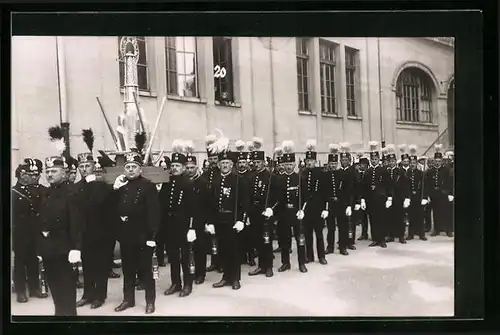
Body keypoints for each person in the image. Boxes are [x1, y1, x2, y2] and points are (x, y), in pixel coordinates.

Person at [112, 152, 160, 314]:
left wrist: (152, 236)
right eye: (128, 167)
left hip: (143, 235)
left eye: (134, 167)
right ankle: (128, 300)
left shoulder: (148, 186)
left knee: (146, 271)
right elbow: (113, 209)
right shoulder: (121, 187)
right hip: (126, 236)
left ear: (140, 169)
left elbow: (154, 212)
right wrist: (115, 189)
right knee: (128, 270)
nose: (131, 170)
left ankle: (150, 301)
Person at [73, 129, 116, 309]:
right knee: (88, 266)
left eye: (87, 166)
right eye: (81, 166)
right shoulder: (76, 187)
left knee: (101, 267)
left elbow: (100, 205)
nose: (84, 169)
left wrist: (92, 182)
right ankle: (87, 294)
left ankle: (100, 295)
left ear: (94, 167)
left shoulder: (102, 186)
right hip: (85, 233)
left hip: (102, 234)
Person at [37, 153, 83, 316]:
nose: (49, 174)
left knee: (66, 288)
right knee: (54, 287)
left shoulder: (71, 193)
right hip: (49, 248)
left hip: (65, 248)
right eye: (48, 171)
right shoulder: (46, 194)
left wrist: (76, 248)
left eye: (54, 171)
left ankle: (69, 318)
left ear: (63, 173)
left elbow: (76, 222)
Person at [205, 134, 248, 290]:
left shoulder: (238, 180)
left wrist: (241, 220)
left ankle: (235, 278)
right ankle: (225, 277)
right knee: (222, 250)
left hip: (233, 219)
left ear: (232, 165)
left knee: (234, 251)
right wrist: (210, 221)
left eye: (227, 163)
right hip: (219, 220)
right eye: (222, 163)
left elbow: (245, 203)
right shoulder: (215, 181)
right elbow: (210, 203)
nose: (224, 165)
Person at [159, 140, 197, 298]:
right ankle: (176, 283)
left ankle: (188, 283)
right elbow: (162, 203)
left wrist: (192, 228)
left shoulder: (188, 183)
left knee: (185, 256)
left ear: (183, 168)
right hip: (170, 225)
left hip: (183, 225)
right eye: (173, 165)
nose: (174, 168)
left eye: (177, 166)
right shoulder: (167, 183)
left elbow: (194, 209)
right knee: (173, 255)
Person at [12, 159, 47, 303]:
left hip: (33, 232)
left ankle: (34, 289)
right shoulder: (13, 193)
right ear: (21, 175)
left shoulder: (34, 191)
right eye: (27, 173)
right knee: (20, 262)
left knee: (33, 260)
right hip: (20, 233)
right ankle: (21, 291)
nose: (31, 176)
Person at [274, 141, 308, 273]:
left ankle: (301, 263)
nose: (288, 167)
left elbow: (305, 196)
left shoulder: (299, 178)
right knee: (284, 240)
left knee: (300, 239)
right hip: (283, 214)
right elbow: (277, 198)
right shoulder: (279, 179)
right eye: (286, 164)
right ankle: (285, 263)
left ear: (294, 165)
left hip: (296, 212)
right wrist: (276, 213)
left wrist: (302, 210)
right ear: (283, 165)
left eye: (290, 164)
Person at [247, 137, 275, 278]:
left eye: (259, 162)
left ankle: (268, 266)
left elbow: (276, 196)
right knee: (257, 240)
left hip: (266, 212)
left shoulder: (270, 176)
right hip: (254, 212)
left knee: (267, 239)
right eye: (255, 162)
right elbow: (248, 196)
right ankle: (261, 266)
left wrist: (271, 208)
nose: (256, 164)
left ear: (264, 162)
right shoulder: (251, 177)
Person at [183, 142, 210, 285]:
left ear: (197, 167)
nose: (189, 170)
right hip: (185, 220)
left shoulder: (203, 183)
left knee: (200, 248)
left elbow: (208, 204)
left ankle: (201, 274)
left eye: (192, 167)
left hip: (200, 220)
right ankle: (190, 272)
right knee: (187, 249)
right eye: (187, 168)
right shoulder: (183, 182)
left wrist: (207, 222)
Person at [359, 141, 389, 248]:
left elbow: (387, 184)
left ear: (379, 160)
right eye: (372, 159)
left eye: (376, 159)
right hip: (370, 199)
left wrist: (388, 197)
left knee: (382, 219)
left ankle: (382, 239)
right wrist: (363, 199)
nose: (374, 161)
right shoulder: (368, 171)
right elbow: (363, 186)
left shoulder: (383, 170)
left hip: (380, 198)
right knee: (372, 219)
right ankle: (375, 239)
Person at [202, 134, 223, 273]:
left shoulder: (222, 173)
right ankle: (214, 262)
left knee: (221, 237)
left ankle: (221, 262)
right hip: (209, 209)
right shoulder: (206, 174)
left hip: (220, 208)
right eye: (211, 159)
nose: (213, 161)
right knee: (212, 237)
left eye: (215, 159)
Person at [234, 140, 256, 267]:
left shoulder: (251, 176)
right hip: (237, 208)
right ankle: (241, 256)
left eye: (244, 162)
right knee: (239, 234)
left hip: (249, 208)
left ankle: (251, 256)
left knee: (250, 235)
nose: (242, 165)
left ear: (247, 163)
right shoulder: (234, 175)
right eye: (240, 163)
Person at [384, 145, 411, 244]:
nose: (391, 163)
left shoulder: (400, 172)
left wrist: (407, 198)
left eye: (393, 161)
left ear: (395, 161)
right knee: (389, 217)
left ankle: (401, 236)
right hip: (388, 199)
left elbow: (406, 186)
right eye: (389, 161)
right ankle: (390, 235)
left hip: (399, 198)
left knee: (400, 218)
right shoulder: (385, 171)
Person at [425, 145, 454, 237]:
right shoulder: (430, 171)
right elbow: (428, 184)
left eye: (439, 161)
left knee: (446, 212)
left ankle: (448, 230)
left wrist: (450, 193)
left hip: (443, 194)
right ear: (434, 161)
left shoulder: (446, 170)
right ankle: (436, 230)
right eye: (436, 161)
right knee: (435, 213)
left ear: (442, 161)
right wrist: (428, 195)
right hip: (434, 194)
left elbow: (449, 182)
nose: (437, 163)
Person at [406, 145, 428, 241]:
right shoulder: (406, 174)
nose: (412, 164)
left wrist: (425, 198)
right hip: (410, 197)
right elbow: (405, 187)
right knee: (411, 216)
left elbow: (425, 186)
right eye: (411, 163)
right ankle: (410, 234)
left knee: (420, 216)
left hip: (419, 197)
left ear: (416, 163)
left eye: (414, 163)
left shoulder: (421, 173)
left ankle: (421, 234)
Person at [324, 143, 340, 254]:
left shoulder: (340, 174)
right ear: (328, 164)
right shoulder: (325, 175)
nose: (333, 165)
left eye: (335, 163)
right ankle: (330, 246)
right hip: (330, 204)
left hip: (340, 203)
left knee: (342, 225)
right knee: (331, 227)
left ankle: (342, 245)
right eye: (331, 163)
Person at [355, 155, 370, 241]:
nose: (361, 166)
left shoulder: (369, 173)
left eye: (363, 164)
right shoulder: (358, 174)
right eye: (360, 164)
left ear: (367, 165)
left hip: (369, 198)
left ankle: (375, 234)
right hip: (361, 198)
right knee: (363, 217)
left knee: (372, 217)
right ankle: (364, 234)